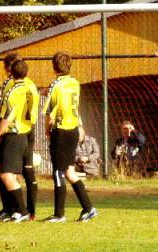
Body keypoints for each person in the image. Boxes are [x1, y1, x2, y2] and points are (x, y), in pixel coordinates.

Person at [43, 52, 97, 222]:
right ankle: (88, 208)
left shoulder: (55, 85)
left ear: (54, 66)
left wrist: (47, 131)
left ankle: (59, 214)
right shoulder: (74, 83)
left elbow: (49, 112)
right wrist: (81, 126)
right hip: (73, 129)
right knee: (69, 171)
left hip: (61, 130)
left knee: (59, 172)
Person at [0, 53, 39, 221]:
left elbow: (8, 115)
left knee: (10, 174)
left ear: (10, 70)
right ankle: (11, 208)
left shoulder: (14, 90)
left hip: (15, 132)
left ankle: (23, 210)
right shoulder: (30, 87)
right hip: (23, 130)